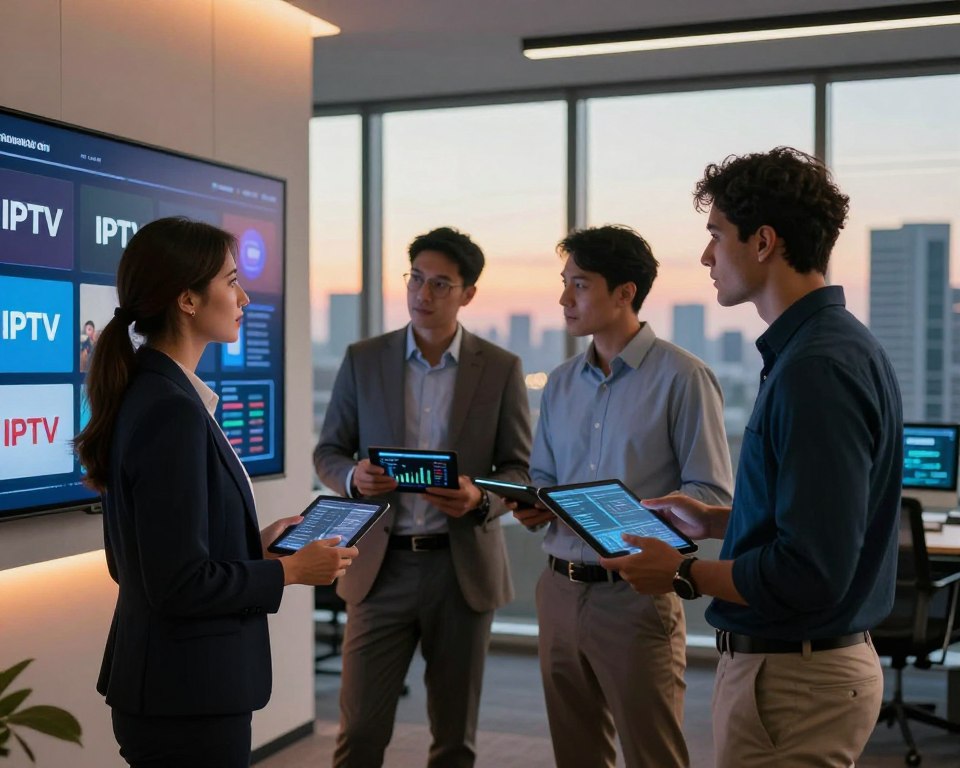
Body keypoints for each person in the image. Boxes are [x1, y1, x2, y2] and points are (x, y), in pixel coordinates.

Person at [600, 148, 903, 767]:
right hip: (801, 671)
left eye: (716, 236)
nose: (707, 256)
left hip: (796, 680)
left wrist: (682, 574)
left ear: (763, 242)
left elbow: (811, 569)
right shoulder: (827, 347)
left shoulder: (815, 367)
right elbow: (815, 514)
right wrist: (718, 523)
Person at [74, 217, 358, 768]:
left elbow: (144, 560)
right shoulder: (170, 411)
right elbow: (176, 583)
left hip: (175, 688)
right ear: (186, 298)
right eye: (231, 281)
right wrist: (290, 571)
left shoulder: (156, 393)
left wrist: (255, 545)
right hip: (185, 696)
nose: (244, 296)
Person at [512, 224, 733, 768]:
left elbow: (709, 492)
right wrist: (533, 501)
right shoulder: (560, 382)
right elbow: (542, 472)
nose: (565, 298)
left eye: (580, 285)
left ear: (625, 292)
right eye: (564, 283)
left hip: (635, 595)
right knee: (576, 753)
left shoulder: (684, 377)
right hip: (559, 589)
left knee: (652, 754)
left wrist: (625, 512)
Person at [314, 226, 532, 768]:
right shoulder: (365, 358)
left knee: (454, 739)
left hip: (460, 572)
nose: (423, 294)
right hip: (379, 570)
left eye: (440, 284)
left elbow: (519, 470)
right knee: (360, 732)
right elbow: (329, 450)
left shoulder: (500, 368)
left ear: (467, 294)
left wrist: (480, 496)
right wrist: (352, 480)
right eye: (416, 279)